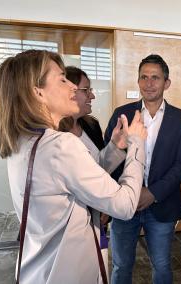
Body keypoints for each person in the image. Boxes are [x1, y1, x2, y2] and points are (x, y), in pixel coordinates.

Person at [0, 49, 147, 283]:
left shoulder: (24, 141)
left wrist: (115, 147)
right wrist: (137, 144)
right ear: (38, 93)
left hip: (41, 269)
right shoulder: (61, 144)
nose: (73, 87)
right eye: (62, 79)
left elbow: (83, 177)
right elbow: (125, 205)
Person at [105, 54, 181, 284]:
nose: (149, 83)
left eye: (155, 77)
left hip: (161, 204)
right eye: (143, 77)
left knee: (162, 264)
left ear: (167, 83)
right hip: (125, 204)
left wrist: (152, 193)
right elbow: (108, 159)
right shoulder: (122, 114)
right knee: (121, 265)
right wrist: (127, 191)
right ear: (138, 81)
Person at [59, 66, 125, 276]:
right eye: (86, 90)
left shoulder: (91, 125)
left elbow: (99, 170)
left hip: (96, 220)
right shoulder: (53, 135)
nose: (92, 95)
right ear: (69, 91)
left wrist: (115, 145)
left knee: (97, 271)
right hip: (69, 228)